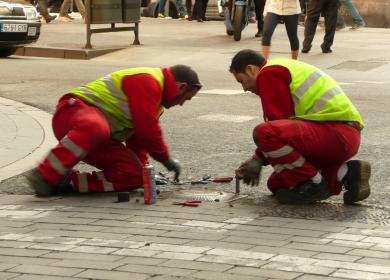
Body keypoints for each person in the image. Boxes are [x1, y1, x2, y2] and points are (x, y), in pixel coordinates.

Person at [27, 65, 202, 196]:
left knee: (134, 175)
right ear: (181, 87)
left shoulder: (157, 106)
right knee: (96, 127)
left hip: (97, 137)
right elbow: (147, 130)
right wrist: (166, 159)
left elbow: (138, 141)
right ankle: (45, 174)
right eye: (186, 98)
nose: (181, 104)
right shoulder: (148, 81)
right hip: (72, 113)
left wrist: (144, 174)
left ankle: (69, 183)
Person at [229, 49, 371, 205]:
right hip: (340, 137)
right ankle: (348, 173)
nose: (244, 88)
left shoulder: (269, 73)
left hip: (335, 133)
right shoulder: (281, 67)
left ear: (250, 69)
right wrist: (258, 160)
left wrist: (257, 159)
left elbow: (277, 125)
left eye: (241, 81)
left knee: (264, 132)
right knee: (277, 184)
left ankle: (314, 184)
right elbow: (284, 129)